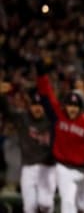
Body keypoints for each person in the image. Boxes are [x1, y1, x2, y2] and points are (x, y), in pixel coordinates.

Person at [36, 68, 84, 213]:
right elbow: (47, 94)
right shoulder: (58, 115)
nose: (72, 109)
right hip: (63, 167)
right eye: (70, 105)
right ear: (65, 105)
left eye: (76, 106)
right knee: (68, 203)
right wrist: (42, 74)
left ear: (81, 108)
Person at [0, 83, 56, 213]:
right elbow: (7, 111)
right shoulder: (23, 118)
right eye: (34, 105)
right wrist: (2, 95)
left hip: (47, 168)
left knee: (45, 204)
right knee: (29, 207)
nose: (37, 108)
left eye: (40, 105)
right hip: (28, 168)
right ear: (30, 106)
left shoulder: (52, 120)